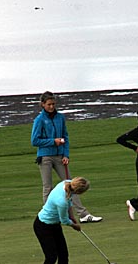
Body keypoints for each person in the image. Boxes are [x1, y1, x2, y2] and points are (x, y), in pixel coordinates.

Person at [31, 91, 102, 224]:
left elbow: (66, 136)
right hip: (45, 157)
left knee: (71, 184)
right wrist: (53, 141)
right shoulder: (39, 120)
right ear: (43, 104)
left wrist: (66, 154)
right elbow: (35, 141)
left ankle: (83, 214)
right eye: (49, 104)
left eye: (53, 104)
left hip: (60, 156)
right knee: (47, 187)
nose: (51, 106)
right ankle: (48, 217)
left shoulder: (60, 117)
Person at [33, 177, 90, 264]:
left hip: (54, 225)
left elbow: (69, 206)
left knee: (63, 254)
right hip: (43, 226)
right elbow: (64, 220)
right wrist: (74, 225)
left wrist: (72, 216)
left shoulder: (67, 183)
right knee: (51, 257)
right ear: (78, 192)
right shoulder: (61, 201)